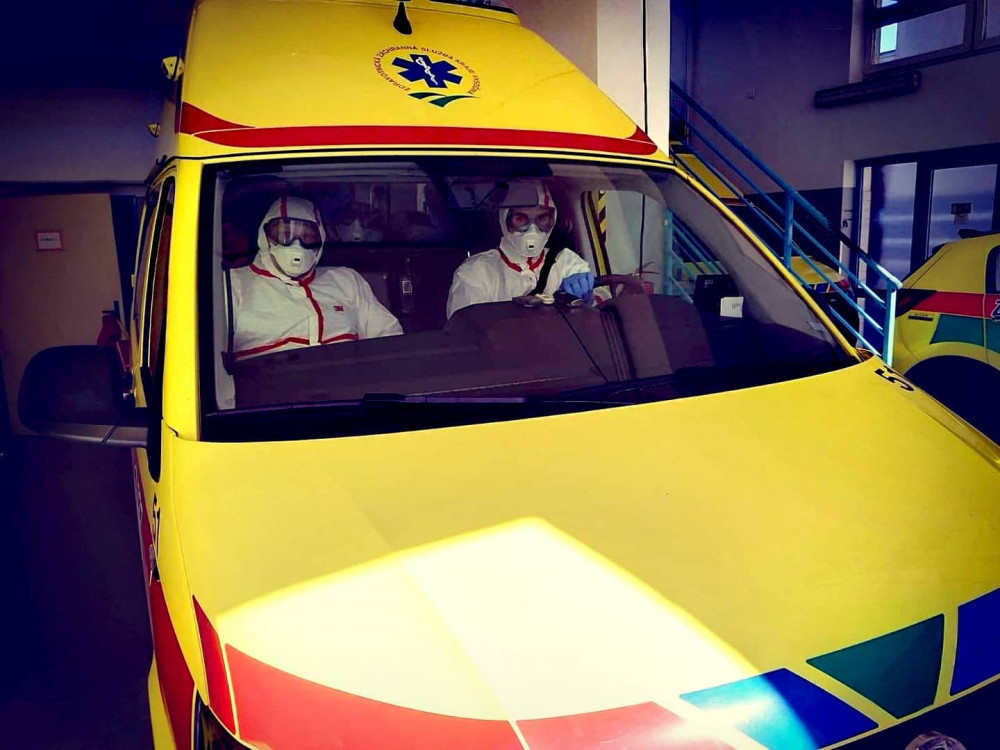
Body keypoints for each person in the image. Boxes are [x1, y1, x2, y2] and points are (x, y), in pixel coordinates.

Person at [229, 195, 402, 360]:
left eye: (307, 236)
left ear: (320, 239)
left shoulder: (346, 280)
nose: (296, 244)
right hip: (269, 380)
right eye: (285, 234)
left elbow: (389, 341)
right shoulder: (232, 285)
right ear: (265, 235)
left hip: (347, 379)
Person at [445, 182, 595, 318]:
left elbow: (601, 313)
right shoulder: (475, 273)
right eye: (521, 219)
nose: (532, 229)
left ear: (552, 220)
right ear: (505, 220)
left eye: (542, 218)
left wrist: (588, 298)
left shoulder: (567, 262)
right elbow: (465, 331)